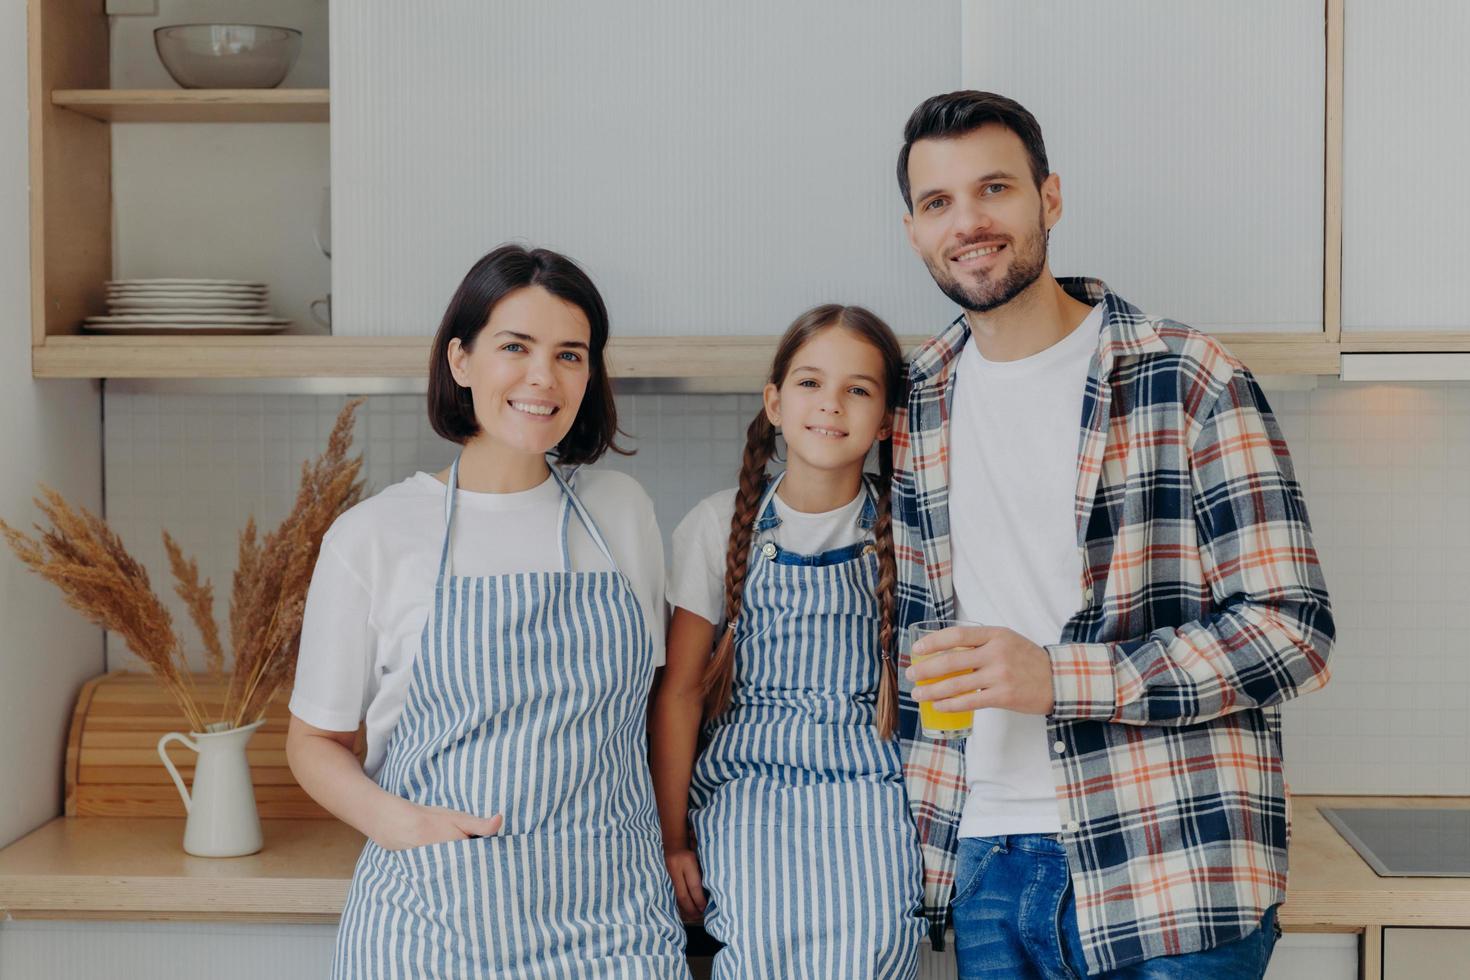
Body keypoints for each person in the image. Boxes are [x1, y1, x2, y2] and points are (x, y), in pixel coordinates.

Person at [891, 91, 1335, 978]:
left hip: (1171, 863)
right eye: (939, 203)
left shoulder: (1189, 375)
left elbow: (1294, 631)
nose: (969, 222)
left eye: (995, 190)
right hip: (984, 864)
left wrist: (1056, 677)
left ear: (1050, 198)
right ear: (914, 230)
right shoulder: (916, 400)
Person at [285, 244, 689, 978]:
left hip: (615, 924)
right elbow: (313, 741)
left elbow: (656, 707)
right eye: (515, 347)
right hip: (434, 922)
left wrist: (673, 842)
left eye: (571, 354)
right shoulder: (375, 536)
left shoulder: (621, 512)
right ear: (460, 361)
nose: (544, 376)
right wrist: (404, 826)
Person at [651, 305, 929, 978]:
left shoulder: (914, 534)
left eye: (858, 389)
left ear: (887, 416)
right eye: (810, 383)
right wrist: (672, 839)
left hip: (872, 782)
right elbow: (682, 695)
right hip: (749, 784)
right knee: (762, 930)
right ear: (774, 402)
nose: (831, 405)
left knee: (879, 935)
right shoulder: (718, 526)